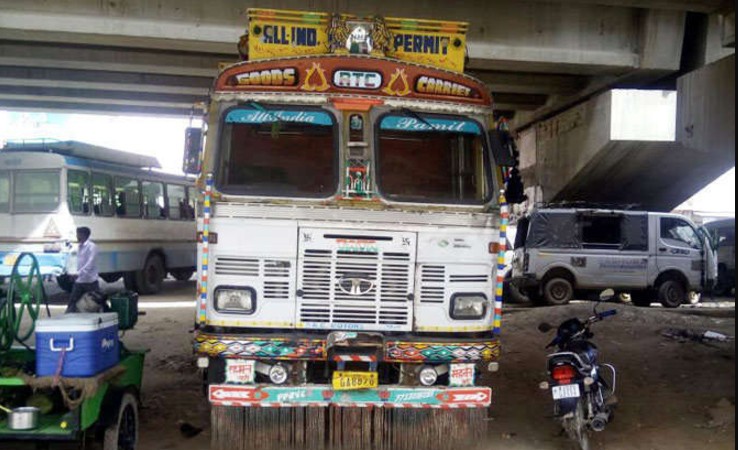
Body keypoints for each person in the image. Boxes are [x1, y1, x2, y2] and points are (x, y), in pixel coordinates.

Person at [65, 226, 100, 313]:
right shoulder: (78, 247)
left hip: (90, 280)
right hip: (80, 281)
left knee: (97, 301)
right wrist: (72, 273)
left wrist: (78, 274)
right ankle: (67, 317)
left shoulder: (92, 247)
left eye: (78, 234)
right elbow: (75, 262)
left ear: (84, 235)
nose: (77, 236)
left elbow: (90, 264)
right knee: (72, 301)